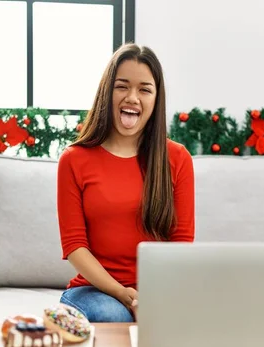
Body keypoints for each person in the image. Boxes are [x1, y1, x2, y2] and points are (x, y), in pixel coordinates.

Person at [56, 43, 195, 323]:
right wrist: (125, 295)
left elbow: (181, 242)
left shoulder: (177, 158)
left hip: (159, 289)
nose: (132, 97)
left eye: (144, 89)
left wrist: (154, 298)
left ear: (156, 99)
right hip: (94, 291)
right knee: (115, 316)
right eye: (122, 86)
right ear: (107, 92)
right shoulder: (73, 160)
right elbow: (74, 246)